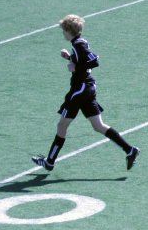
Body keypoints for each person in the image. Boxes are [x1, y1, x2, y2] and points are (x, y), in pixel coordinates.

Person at [32, 15, 139, 171]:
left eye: (64, 30)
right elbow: (83, 60)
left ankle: (49, 162)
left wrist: (75, 68)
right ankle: (130, 150)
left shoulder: (78, 45)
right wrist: (70, 58)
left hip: (80, 90)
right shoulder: (79, 43)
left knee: (62, 125)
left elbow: (93, 61)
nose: (63, 33)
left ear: (69, 31)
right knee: (98, 125)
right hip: (88, 88)